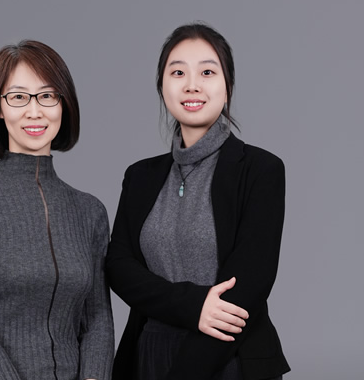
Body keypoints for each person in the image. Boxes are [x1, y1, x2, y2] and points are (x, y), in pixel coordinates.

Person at [106, 23, 290, 380]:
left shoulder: (261, 170)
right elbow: (119, 266)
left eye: (207, 72)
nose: (192, 85)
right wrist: (193, 305)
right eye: (178, 73)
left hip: (229, 357)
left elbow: (248, 286)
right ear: (162, 87)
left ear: (228, 86)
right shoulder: (140, 176)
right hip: (149, 355)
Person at [0, 40, 114, 380]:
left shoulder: (90, 211)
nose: (35, 111)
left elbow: (98, 320)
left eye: (47, 96)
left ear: (63, 105)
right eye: (18, 97)